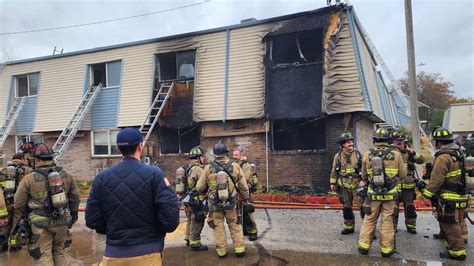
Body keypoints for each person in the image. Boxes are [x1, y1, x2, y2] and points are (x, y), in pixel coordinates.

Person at [86, 127, 179, 265]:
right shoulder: (155, 174)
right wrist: (156, 232)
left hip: (113, 254)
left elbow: (92, 219)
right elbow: (170, 218)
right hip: (148, 253)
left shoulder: (101, 178)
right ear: (140, 146)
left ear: (117, 148)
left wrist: (113, 230)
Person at [12, 143, 80, 265]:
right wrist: (73, 217)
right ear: (52, 158)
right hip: (62, 220)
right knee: (59, 252)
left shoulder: (29, 178)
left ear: (37, 160)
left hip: (40, 224)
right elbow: (75, 198)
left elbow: (18, 202)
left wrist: (24, 217)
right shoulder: (66, 175)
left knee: (44, 255)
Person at [196, 140, 250, 258]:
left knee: (218, 227)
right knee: (235, 225)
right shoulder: (235, 166)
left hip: (215, 204)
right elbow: (243, 186)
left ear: (215, 154)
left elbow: (199, 187)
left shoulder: (208, 168)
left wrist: (207, 191)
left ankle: (222, 252)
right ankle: (239, 250)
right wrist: (246, 198)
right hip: (231, 203)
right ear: (226, 153)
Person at [358, 128, 406, 257]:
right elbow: (403, 174)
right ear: (388, 140)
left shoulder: (367, 154)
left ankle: (364, 247)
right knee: (387, 221)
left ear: (374, 140)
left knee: (369, 219)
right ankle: (386, 250)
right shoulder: (396, 154)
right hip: (390, 196)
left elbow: (363, 176)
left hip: (372, 195)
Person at [421, 127, 468, 261]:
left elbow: (436, 180)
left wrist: (427, 195)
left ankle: (457, 252)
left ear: (439, 143)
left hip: (449, 197)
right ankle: (457, 242)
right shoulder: (458, 153)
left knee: (450, 224)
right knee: (458, 220)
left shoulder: (443, 157)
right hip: (460, 195)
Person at [391, 130, 425, 234]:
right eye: (397, 140)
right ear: (392, 141)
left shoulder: (409, 152)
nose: (399, 142)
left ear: (405, 141)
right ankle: (393, 226)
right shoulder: (389, 153)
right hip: (394, 185)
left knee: (410, 207)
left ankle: (411, 226)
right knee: (393, 208)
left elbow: (421, 160)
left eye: (401, 140)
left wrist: (412, 153)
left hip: (408, 185)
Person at [329, 132, 363, 234]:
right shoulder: (338, 156)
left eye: (351, 141)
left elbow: (363, 169)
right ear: (343, 144)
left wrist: (363, 180)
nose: (351, 143)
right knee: (346, 207)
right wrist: (333, 183)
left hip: (357, 185)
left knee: (363, 207)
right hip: (344, 185)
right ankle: (349, 227)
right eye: (348, 142)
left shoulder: (358, 154)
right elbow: (334, 170)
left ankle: (368, 230)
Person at [0, 153, 31, 251]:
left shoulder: (3, 171)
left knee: (4, 226)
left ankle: (3, 248)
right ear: (23, 159)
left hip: (5, 204)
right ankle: (14, 249)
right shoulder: (28, 171)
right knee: (17, 226)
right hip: (20, 205)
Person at [180, 146, 208, 251]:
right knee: (197, 220)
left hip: (187, 199)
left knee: (189, 220)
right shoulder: (198, 169)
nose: (203, 159)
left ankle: (188, 239)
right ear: (198, 157)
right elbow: (203, 184)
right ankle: (195, 243)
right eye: (202, 156)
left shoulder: (186, 167)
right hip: (196, 200)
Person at [232, 149, 258, 241]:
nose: (234, 156)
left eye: (236, 155)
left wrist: (234, 185)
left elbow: (245, 179)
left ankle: (253, 231)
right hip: (237, 193)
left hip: (245, 192)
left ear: (240, 155)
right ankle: (245, 230)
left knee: (247, 212)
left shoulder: (246, 166)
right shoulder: (235, 165)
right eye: (233, 155)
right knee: (240, 213)